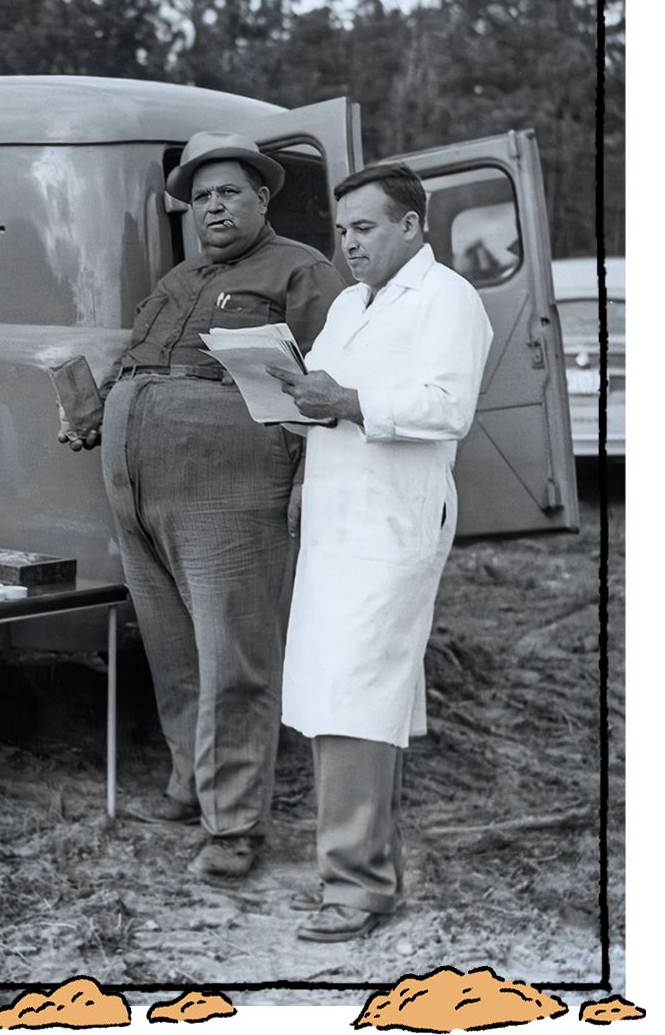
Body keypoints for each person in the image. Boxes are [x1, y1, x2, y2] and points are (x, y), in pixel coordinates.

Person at [63, 131, 343, 879]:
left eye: (228, 193)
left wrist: (313, 477)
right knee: (174, 650)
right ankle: (192, 784)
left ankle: (237, 828)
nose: (212, 206)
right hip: (138, 490)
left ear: (262, 198)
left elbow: (337, 379)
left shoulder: (302, 270)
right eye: (200, 197)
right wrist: (95, 415)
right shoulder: (178, 278)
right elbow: (141, 362)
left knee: (234, 657)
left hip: (235, 493)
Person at [268, 162, 493, 941]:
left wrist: (348, 403)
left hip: (394, 522)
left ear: (411, 225)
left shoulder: (446, 300)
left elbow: (447, 406)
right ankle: (351, 870)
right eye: (343, 230)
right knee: (335, 688)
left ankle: (358, 886)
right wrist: (294, 406)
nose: (350, 243)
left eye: (365, 227)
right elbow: (326, 396)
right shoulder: (351, 305)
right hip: (338, 514)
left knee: (360, 692)